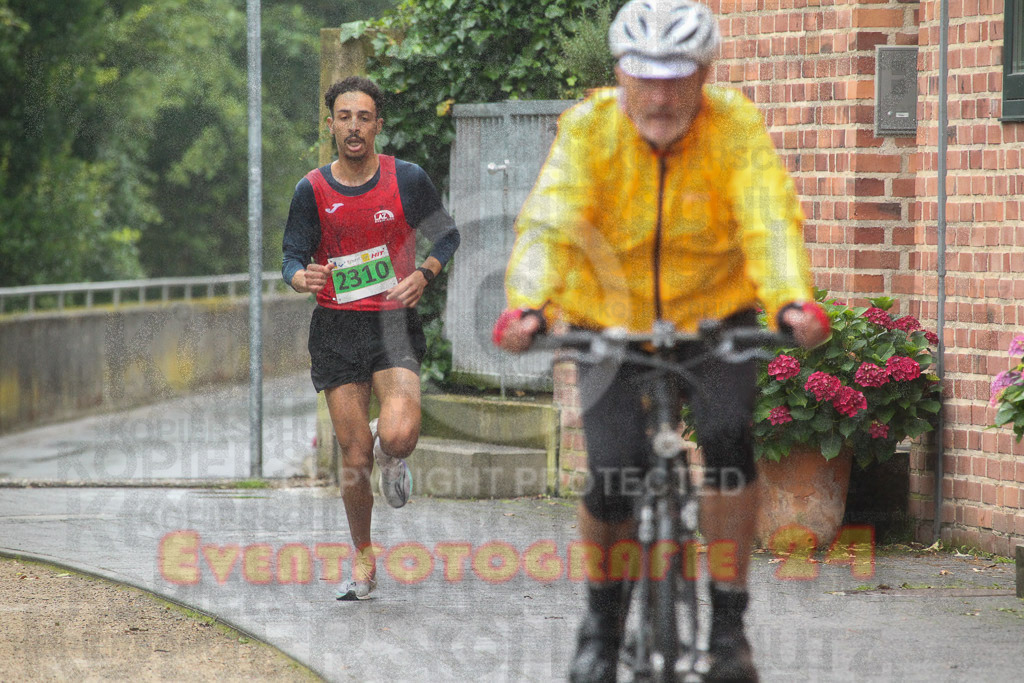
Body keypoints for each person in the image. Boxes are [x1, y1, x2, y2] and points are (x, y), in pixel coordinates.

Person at [492, 1, 829, 681]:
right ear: (620, 73)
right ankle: (601, 621)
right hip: (607, 319)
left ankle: (728, 623)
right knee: (613, 473)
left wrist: (789, 299)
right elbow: (553, 222)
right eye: (644, 76)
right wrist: (528, 305)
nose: (660, 94)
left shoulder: (733, 125)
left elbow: (767, 215)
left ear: (705, 73)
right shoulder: (590, 129)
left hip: (715, 314)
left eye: (678, 76)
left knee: (730, 441)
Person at [282, 76, 460, 601]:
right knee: (354, 455)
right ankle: (363, 557)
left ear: (378, 125)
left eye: (364, 117)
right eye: (344, 116)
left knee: (399, 436)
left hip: (391, 324)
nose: (354, 127)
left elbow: (446, 234)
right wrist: (300, 277)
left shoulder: (406, 179)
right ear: (331, 124)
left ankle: (394, 453)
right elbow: (292, 256)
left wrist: (424, 273)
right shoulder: (311, 189)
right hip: (337, 328)